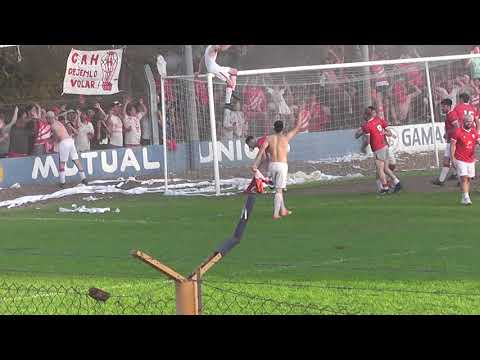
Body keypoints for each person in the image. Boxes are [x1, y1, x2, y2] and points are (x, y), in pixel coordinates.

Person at [251, 112, 308, 220]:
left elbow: (261, 151)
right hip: (282, 165)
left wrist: (255, 164)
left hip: (272, 165)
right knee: (279, 190)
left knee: (278, 188)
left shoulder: (269, 138)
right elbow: (298, 127)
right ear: (282, 128)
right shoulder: (286, 137)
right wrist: (299, 115)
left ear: (274, 128)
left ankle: (283, 210)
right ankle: (276, 214)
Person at [355, 106, 402, 194]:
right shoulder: (378, 120)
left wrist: (363, 147)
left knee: (380, 169)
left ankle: (385, 188)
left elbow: (368, 141)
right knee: (385, 168)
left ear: (366, 115)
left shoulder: (367, 125)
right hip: (385, 146)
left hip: (378, 148)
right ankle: (396, 183)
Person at [46, 111, 88, 188]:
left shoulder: (53, 125)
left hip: (64, 142)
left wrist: (52, 141)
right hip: (70, 141)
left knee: (62, 162)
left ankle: (62, 182)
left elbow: (57, 136)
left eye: (47, 118)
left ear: (49, 118)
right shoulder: (57, 121)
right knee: (76, 160)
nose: (46, 120)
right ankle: (84, 178)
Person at [196, 45, 240, 110]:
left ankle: (232, 91)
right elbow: (222, 49)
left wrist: (199, 71)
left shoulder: (208, 48)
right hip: (214, 69)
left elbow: (202, 61)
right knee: (230, 83)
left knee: (234, 71)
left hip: (216, 67)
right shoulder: (213, 47)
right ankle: (227, 103)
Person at [450, 114, 479, 205]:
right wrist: (452, 158)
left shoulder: (474, 132)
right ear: (463, 121)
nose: (469, 123)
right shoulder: (457, 132)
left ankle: (464, 197)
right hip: (460, 159)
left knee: (468, 178)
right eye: (467, 121)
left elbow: (478, 141)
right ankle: (467, 197)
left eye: (470, 121)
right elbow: (452, 145)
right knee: (464, 178)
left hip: (470, 159)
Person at [432, 99, 460, 186]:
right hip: (451, 141)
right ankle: (441, 180)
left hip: (452, 141)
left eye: (443, 106)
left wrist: (448, 133)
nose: (442, 108)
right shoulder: (449, 114)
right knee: (448, 161)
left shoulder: (451, 115)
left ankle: (460, 179)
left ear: (448, 106)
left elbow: (457, 126)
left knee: (450, 161)